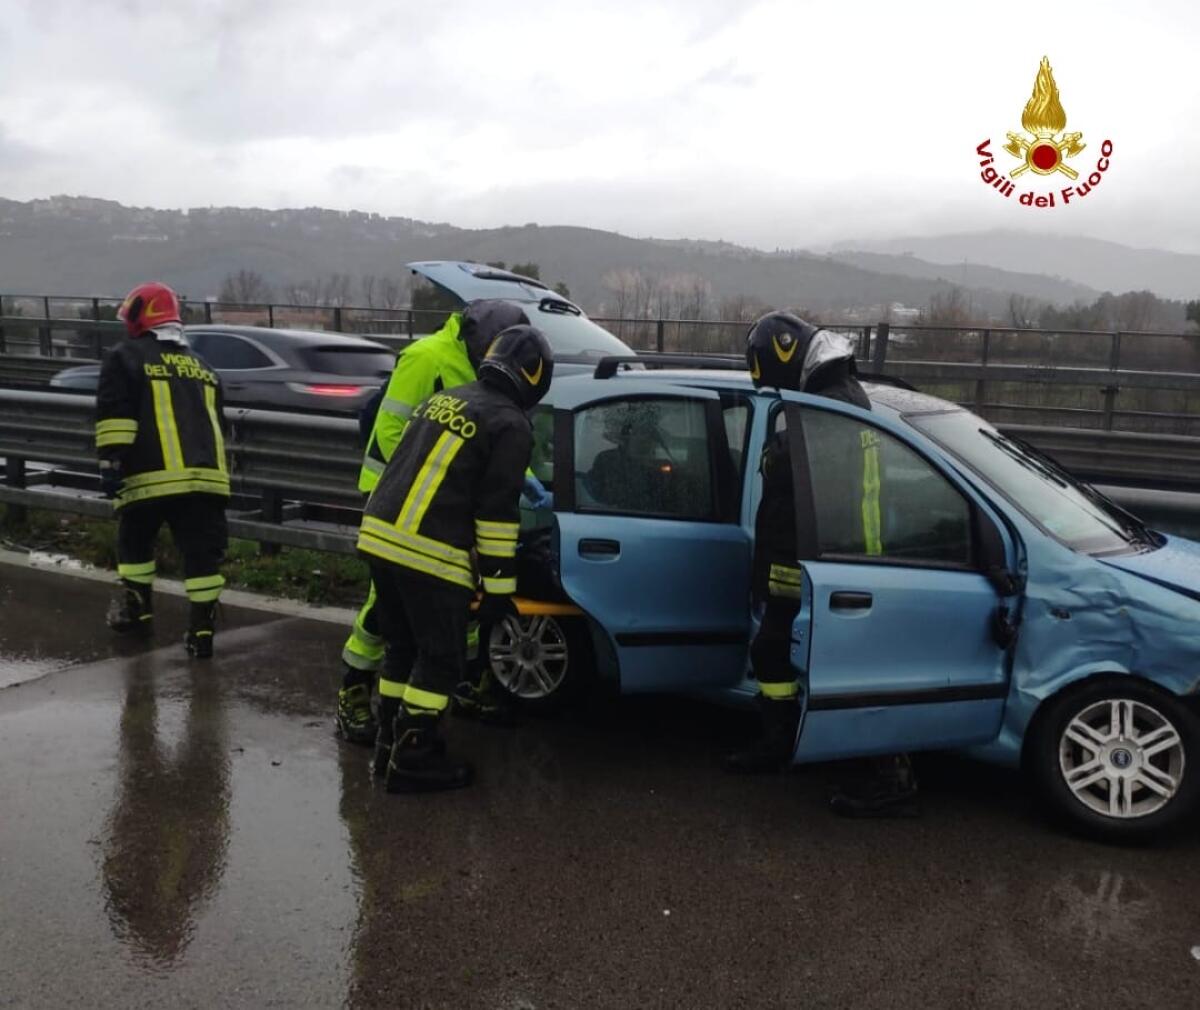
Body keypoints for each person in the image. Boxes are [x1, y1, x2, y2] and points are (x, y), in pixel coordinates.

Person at [725, 311, 917, 816]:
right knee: (774, 654)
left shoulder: (826, 410)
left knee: (846, 667)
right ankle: (786, 741)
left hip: (832, 561)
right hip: (830, 558)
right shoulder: (840, 395)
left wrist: (778, 454)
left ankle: (888, 778)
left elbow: (802, 497)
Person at [335, 300, 547, 744]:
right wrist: (428, 486)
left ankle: (434, 697)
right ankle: (354, 688)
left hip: (438, 503)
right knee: (386, 610)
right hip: (395, 492)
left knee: (451, 604)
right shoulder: (425, 357)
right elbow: (392, 431)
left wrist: (525, 478)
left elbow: (483, 443)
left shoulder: (479, 367)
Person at [96, 281, 229, 657]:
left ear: (141, 316)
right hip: (207, 480)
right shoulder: (204, 366)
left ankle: (138, 611)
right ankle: (201, 631)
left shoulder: (125, 357)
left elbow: (115, 416)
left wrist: (110, 463)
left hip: (149, 479)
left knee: (135, 543)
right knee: (202, 557)